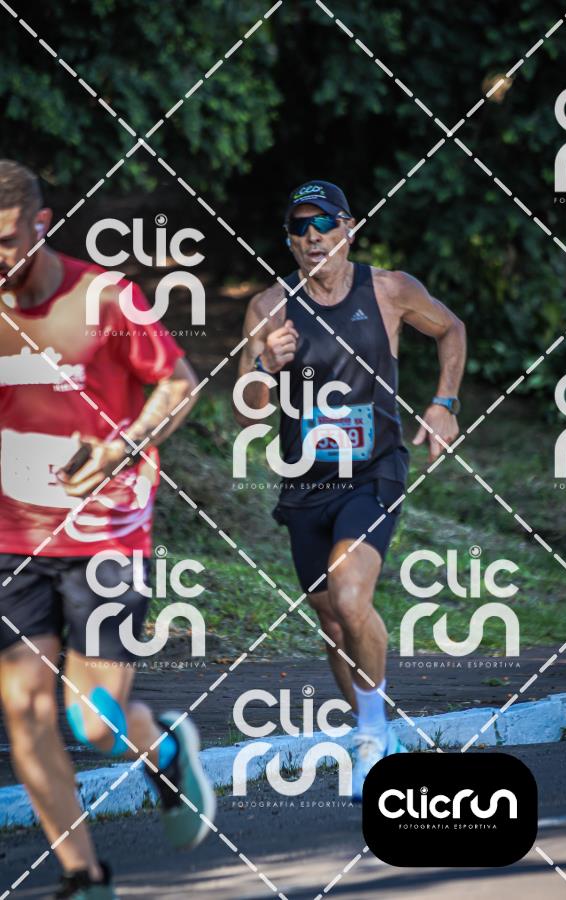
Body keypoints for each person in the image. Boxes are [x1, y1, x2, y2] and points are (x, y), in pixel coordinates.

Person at [0, 160, 215, 899]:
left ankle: (166, 751)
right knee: (26, 711)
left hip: (104, 536)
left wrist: (121, 448)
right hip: (12, 541)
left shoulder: (104, 297)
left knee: (94, 722)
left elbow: (178, 383)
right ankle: (84, 877)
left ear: (41, 224)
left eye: (6, 239)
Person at [234, 180, 466, 799]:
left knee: (350, 593)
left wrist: (444, 403)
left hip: (374, 472)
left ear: (349, 229)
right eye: (300, 227)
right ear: (289, 239)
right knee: (334, 623)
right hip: (304, 485)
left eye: (325, 224)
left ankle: (369, 741)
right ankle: (378, 728)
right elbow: (244, 413)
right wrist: (264, 366)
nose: (313, 237)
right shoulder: (269, 307)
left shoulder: (388, 290)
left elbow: (451, 329)